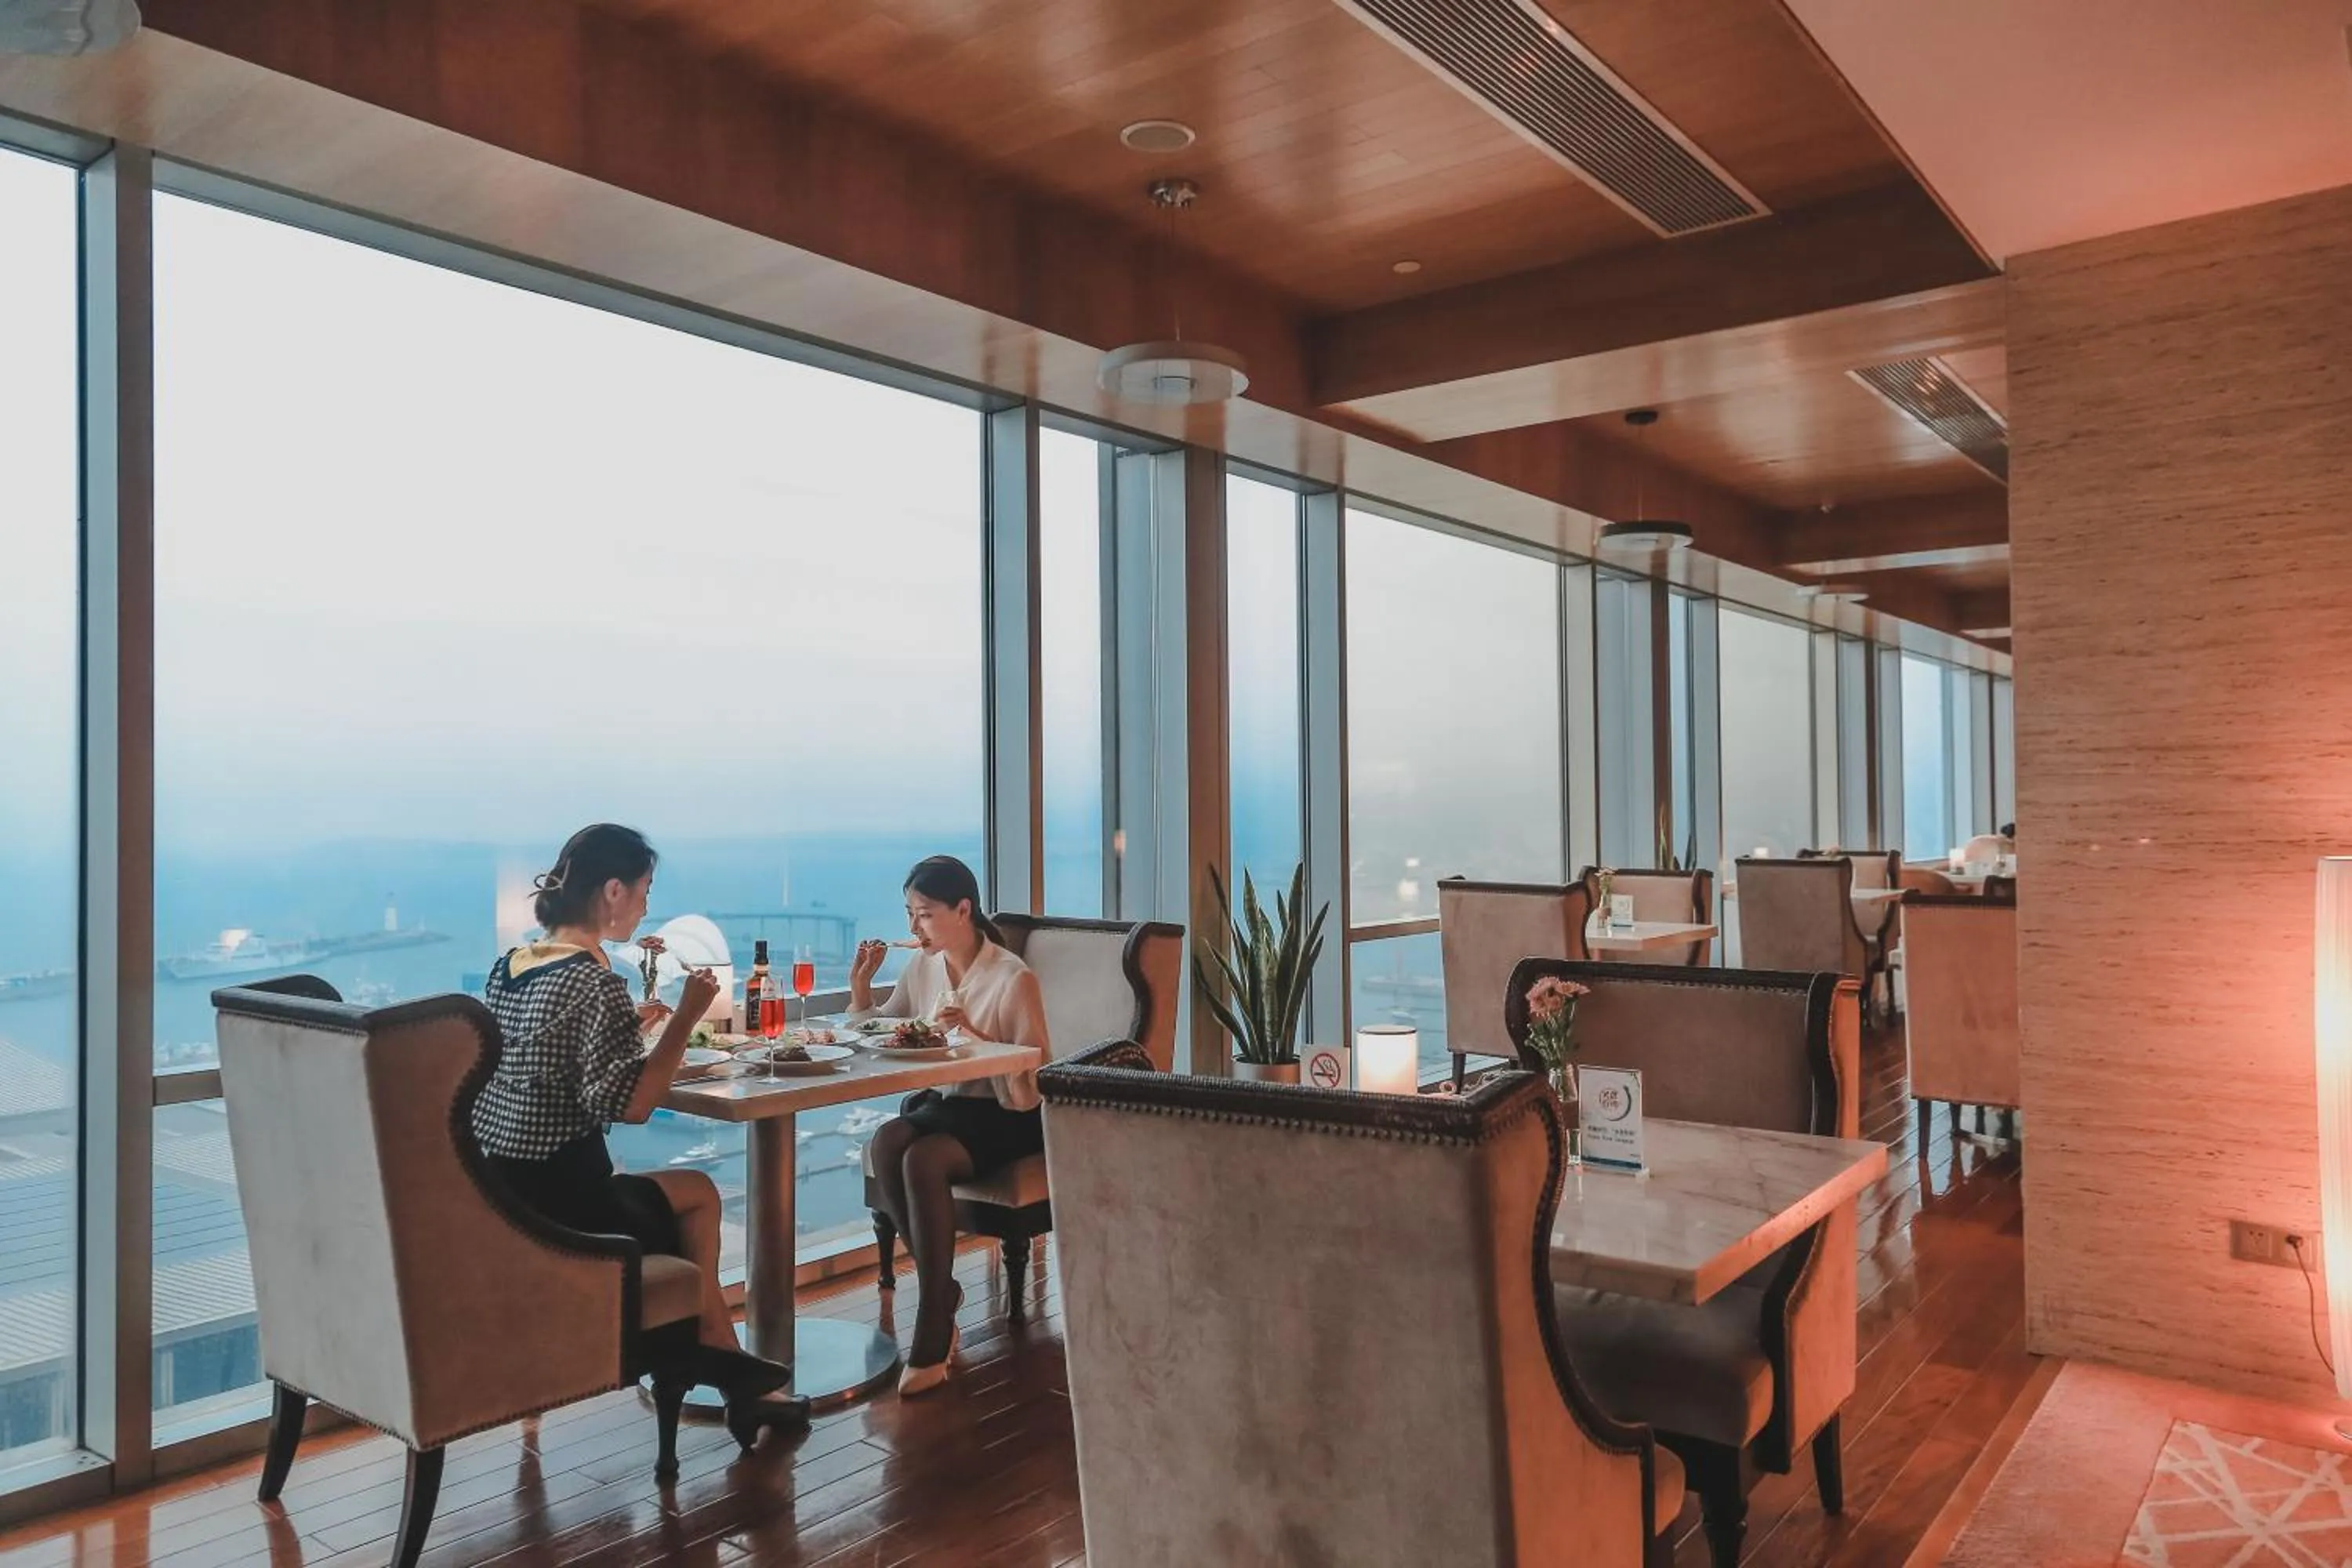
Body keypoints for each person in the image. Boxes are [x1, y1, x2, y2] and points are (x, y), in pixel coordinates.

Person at [472, 822, 798, 1425]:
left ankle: (720, 1360)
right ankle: (714, 1357)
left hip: (505, 1194)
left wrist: (635, 1027)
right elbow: (633, 1107)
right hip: (568, 1206)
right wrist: (685, 1017)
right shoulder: (596, 981)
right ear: (614, 890)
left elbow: (549, 1064)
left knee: (680, 1196)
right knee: (698, 1197)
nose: (648, 905)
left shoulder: (510, 966)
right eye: (645, 891)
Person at [850, 855, 1050, 1396]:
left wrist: (974, 1032)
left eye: (925, 915)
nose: (915, 928)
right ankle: (943, 1293)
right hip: (951, 1102)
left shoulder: (1013, 977)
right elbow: (888, 1027)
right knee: (889, 1138)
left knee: (923, 1157)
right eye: (910, 915)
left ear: (964, 909)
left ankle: (933, 1325)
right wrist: (862, 990)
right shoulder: (925, 966)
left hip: (1008, 1113)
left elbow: (1034, 1077)